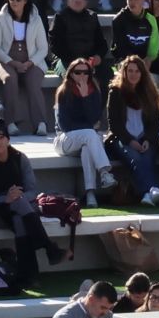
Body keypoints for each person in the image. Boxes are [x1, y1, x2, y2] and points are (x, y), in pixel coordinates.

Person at [0, 120, 64, 286]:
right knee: (18, 207)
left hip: (18, 209)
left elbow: (32, 190)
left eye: (1, 137)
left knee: (19, 219)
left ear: (8, 139)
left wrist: (14, 199)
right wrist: (5, 199)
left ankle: (28, 275)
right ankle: (48, 248)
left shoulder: (20, 158)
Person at [105, 55, 159, 206]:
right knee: (136, 158)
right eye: (130, 71)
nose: (133, 74)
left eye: (137, 71)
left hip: (146, 139)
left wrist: (146, 139)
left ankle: (147, 194)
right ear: (124, 72)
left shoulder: (149, 92)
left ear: (143, 73)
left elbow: (154, 123)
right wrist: (131, 141)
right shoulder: (116, 92)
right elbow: (114, 124)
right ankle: (153, 189)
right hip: (122, 139)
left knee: (147, 157)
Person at [0, 0, 50, 136]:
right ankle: (10, 123)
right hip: (5, 61)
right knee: (10, 79)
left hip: (31, 61)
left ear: (25, 0)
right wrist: (12, 62)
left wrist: (30, 63)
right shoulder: (1, 17)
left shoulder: (36, 18)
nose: (14, 2)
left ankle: (40, 122)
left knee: (33, 82)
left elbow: (43, 48)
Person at [55, 59, 116, 207]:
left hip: (86, 141)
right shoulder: (64, 92)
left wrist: (85, 98)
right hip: (64, 141)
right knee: (90, 134)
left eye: (86, 72)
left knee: (88, 147)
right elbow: (65, 125)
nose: (82, 75)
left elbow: (96, 118)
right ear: (71, 74)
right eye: (78, 72)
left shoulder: (94, 92)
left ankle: (90, 195)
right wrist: (88, 126)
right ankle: (104, 172)